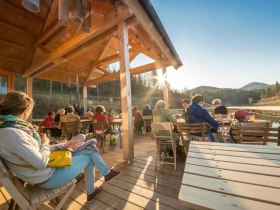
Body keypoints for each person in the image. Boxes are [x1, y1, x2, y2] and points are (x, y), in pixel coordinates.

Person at [0, 91, 120, 202]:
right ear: (24, 111)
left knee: (85, 146)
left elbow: (34, 152)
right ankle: (96, 185)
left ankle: (101, 178)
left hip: (46, 171)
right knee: (89, 154)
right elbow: (41, 162)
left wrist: (64, 145)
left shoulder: (10, 128)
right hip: (48, 177)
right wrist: (46, 143)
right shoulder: (12, 133)